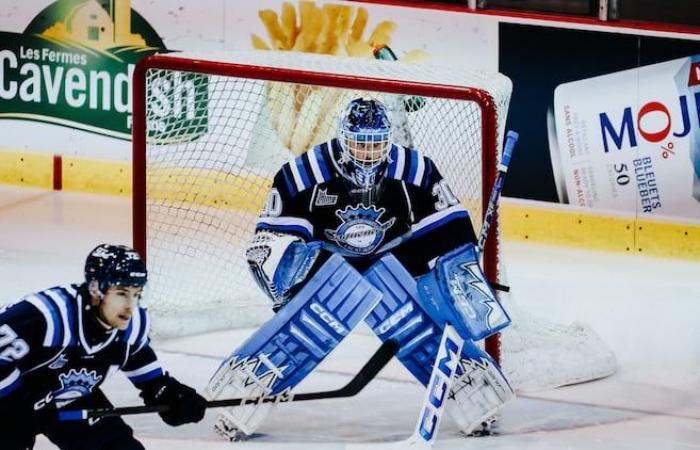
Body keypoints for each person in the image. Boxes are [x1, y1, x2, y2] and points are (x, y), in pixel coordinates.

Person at [210, 97, 513, 440]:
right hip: (326, 263)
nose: (368, 153)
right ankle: (241, 397)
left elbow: (450, 231)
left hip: (394, 259)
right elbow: (269, 244)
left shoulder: (415, 171)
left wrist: (460, 281)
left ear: (388, 139)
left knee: (419, 325)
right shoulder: (303, 174)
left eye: (376, 144)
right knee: (303, 330)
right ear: (342, 138)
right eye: (360, 143)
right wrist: (288, 287)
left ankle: (474, 393)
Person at [0, 244, 207, 450]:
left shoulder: (131, 326)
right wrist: (18, 402)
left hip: (68, 395)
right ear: (95, 289)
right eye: (121, 293)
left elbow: (145, 369)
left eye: (136, 294)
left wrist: (168, 393)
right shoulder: (50, 316)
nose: (130, 304)